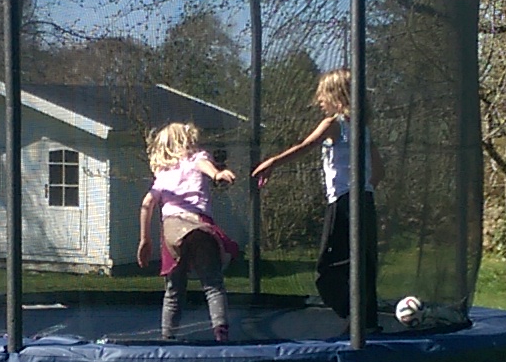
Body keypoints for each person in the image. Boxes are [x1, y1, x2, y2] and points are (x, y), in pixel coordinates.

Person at [252, 67, 379, 322]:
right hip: (365, 201)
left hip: (344, 201)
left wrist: (273, 162)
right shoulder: (362, 128)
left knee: (328, 267)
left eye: (323, 95)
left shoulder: (333, 124)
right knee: (361, 262)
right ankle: (366, 320)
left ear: (337, 96)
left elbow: (305, 146)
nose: (319, 100)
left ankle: (354, 316)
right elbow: (379, 170)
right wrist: (365, 187)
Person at [137, 119, 238, 341]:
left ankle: (167, 336)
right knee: (212, 284)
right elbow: (204, 165)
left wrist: (145, 239)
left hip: (172, 230)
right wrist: (216, 174)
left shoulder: (162, 176)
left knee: (174, 289)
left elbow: (147, 204)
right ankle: (221, 332)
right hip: (198, 225)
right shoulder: (195, 158)